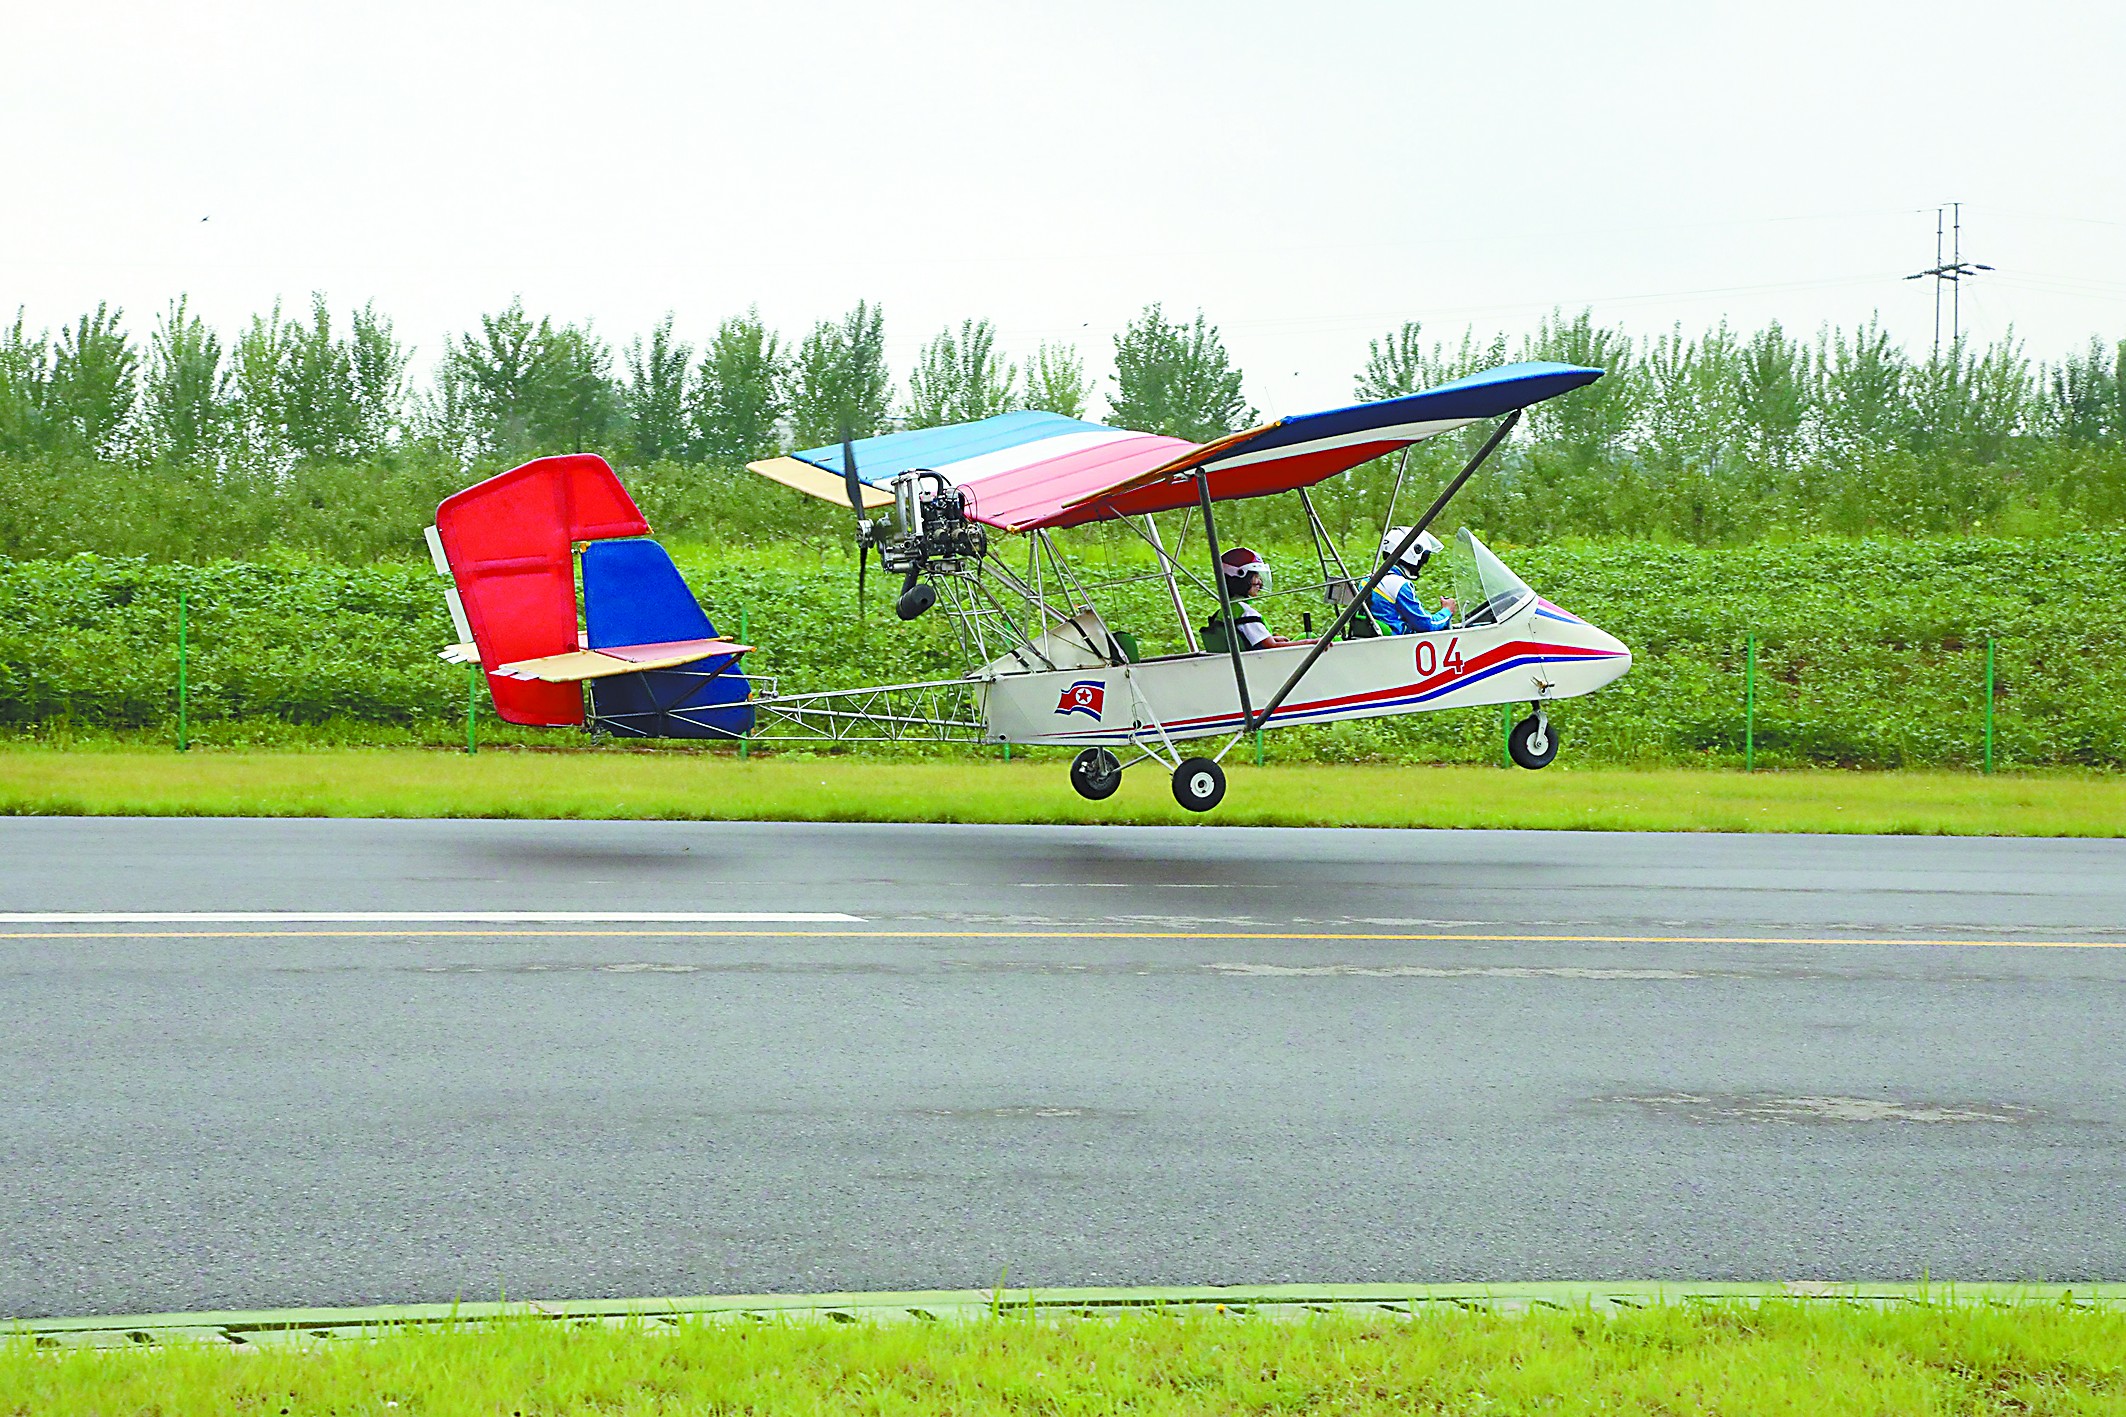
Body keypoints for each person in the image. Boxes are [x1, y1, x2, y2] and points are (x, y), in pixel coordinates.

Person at [1206, 546, 1301, 650]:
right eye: (1255, 576)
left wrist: (1272, 638)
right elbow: (1270, 645)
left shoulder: (1229, 609)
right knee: (1308, 636)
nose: (1260, 582)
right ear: (1239, 578)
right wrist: (1311, 641)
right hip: (1260, 660)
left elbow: (1246, 637)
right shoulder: (1245, 612)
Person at [1369, 527, 1457, 634]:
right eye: (1423, 559)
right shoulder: (1399, 585)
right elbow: (1425, 624)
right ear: (1413, 552)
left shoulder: (1369, 580)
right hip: (1397, 645)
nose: (1422, 564)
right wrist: (1447, 611)